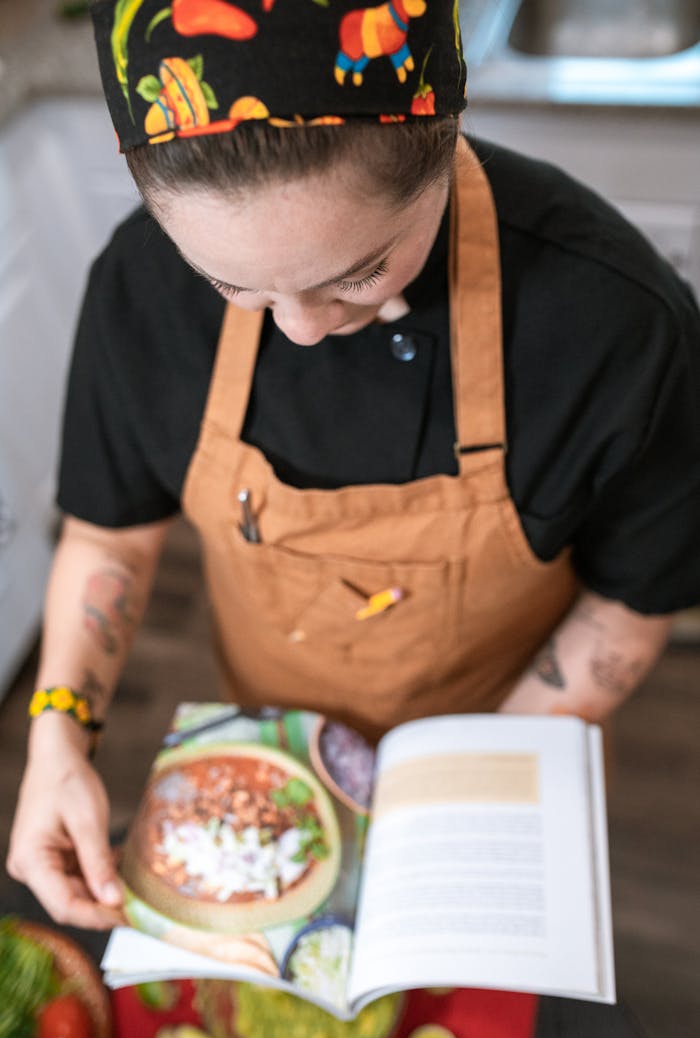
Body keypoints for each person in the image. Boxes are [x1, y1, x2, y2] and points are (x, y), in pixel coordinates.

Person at [7, 0, 700, 931]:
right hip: (273, 751)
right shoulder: (138, 288)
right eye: (233, 285)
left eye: (360, 272)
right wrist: (57, 737)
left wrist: (458, 805)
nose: (297, 329)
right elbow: (110, 537)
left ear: (444, 137)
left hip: (514, 740)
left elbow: (629, 603)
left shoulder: (614, 322)